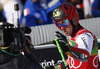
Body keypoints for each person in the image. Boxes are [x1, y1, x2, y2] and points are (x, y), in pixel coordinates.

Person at [52, 3, 98, 69]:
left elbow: (84, 56)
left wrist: (68, 49)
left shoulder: (84, 35)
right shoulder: (73, 37)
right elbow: (73, 61)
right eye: (58, 24)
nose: (61, 28)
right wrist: (56, 67)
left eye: (64, 23)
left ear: (73, 19)